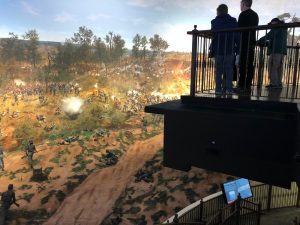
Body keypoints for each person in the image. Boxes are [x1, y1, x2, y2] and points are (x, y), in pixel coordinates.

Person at [211, 4, 239, 95]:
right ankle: (229, 89)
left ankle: (218, 90)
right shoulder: (233, 21)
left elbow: (213, 35)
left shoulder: (214, 22)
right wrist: (237, 51)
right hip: (230, 49)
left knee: (218, 70)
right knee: (229, 69)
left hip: (218, 49)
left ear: (218, 12)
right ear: (227, 11)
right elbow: (237, 37)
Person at [257, 18, 287, 88]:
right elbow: (274, 40)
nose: (271, 25)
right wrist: (265, 43)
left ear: (275, 22)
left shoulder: (277, 27)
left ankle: (274, 84)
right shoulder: (282, 28)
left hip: (276, 51)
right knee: (278, 67)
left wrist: (259, 41)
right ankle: (278, 83)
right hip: (281, 51)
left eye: (272, 23)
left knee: (273, 66)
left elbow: (269, 36)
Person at [237, 0, 259, 91]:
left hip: (244, 42)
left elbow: (239, 29)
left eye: (240, 4)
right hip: (252, 42)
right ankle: (248, 84)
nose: (240, 6)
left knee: (242, 64)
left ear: (243, 4)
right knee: (250, 63)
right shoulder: (255, 15)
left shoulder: (242, 14)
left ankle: (241, 85)